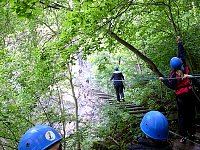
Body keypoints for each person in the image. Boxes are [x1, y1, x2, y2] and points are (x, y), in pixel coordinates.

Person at [159, 36, 196, 143]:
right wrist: (179, 43)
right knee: (191, 114)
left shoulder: (173, 75)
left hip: (181, 97)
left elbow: (171, 86)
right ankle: (192, 134)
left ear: (172, 67)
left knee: (182, 115)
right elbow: (182, 54)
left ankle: (183, 135)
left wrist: (163, 80)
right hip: (189, 93)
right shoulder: (184, 65)